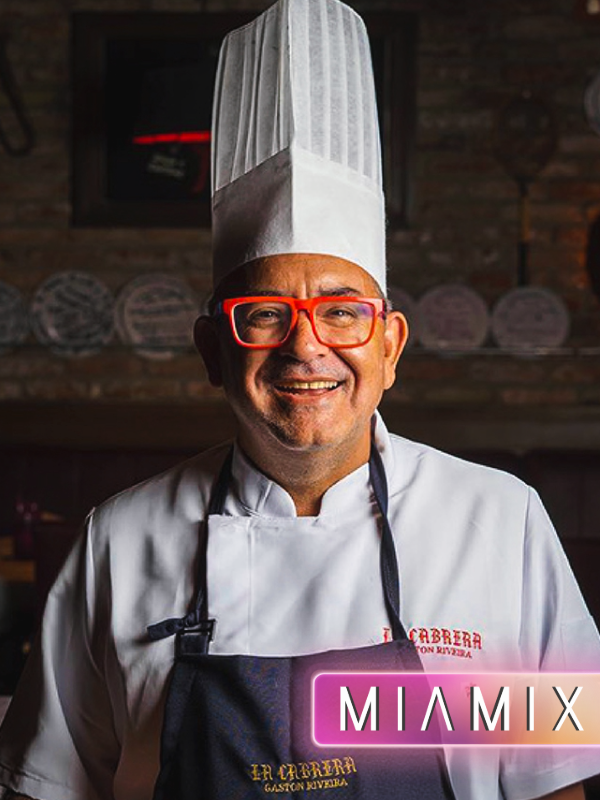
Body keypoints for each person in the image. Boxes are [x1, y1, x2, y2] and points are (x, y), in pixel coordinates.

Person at [0, 1, 599, 798]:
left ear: (390, 347)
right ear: (212, 350)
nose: (306, 346)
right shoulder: (117, 540)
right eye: (264, 314)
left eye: (342, 312)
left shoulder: (503, 521)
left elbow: (556, 784)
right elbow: (49, 787)